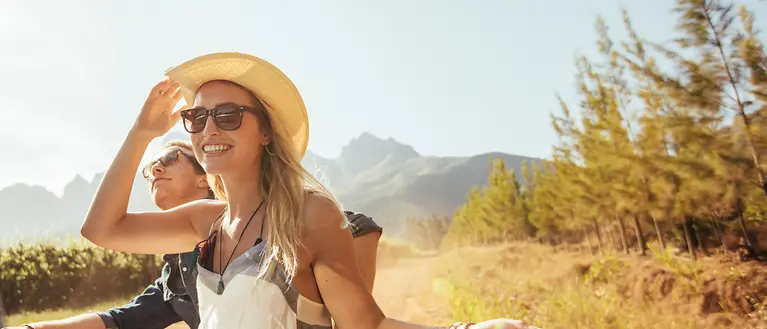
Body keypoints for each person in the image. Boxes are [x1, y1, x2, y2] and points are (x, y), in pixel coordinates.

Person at [79, 52, 538, 329]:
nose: (208, 129)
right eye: (197, 118)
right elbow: (102, 229)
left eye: (228, 115)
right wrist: (142, 132)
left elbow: (368, 325)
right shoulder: (205, 221)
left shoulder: (310, 215)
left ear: (265, 133)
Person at [8, 140, 382, 329]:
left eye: (169, 159)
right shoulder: (174, 278)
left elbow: (357, 224)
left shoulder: (266, 217)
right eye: (151, 167)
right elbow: (120, 320)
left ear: (204, 175)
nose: (155, 168)